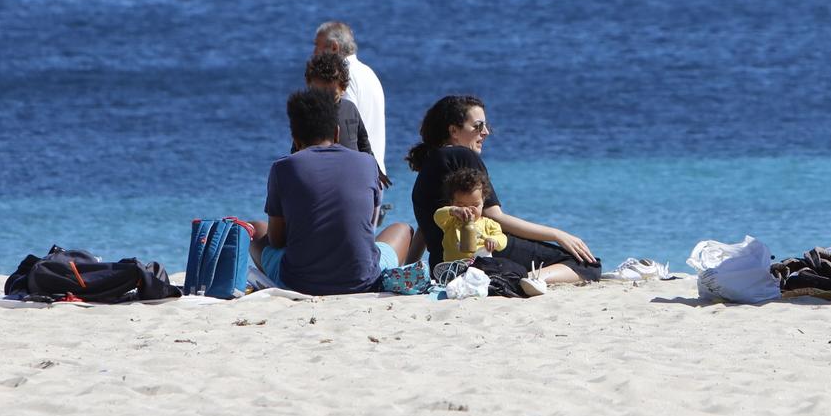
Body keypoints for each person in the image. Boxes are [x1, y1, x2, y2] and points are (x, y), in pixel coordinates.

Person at [405, 94, 601, 286]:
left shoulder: (430, 163)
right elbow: (496, 217)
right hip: (480, 254)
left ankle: (524, 277)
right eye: (478, 126)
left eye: (486, 126)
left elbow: (425, 228)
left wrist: (408, 270)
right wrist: (557, 235)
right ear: (454, 131)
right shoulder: (462, 155)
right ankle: (528, 280)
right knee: (586, 264)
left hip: (442, 266)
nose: (486, 132)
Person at [250, 87, 412, 296]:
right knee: (403, 228)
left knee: (253, 229)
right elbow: (366, 226)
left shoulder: (283, 168)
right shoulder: (367, 163)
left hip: (298, 282)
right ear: (337, 132)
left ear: (296, 139)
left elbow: (277, 240)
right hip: (363, 280)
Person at [315, 21, 386, 180]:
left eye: (317, 46)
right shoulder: (368, 73)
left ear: (334, 47)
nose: (314, 53)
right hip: (372, 172)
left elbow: (346, 130)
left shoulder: (341, 78)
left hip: (353, 174)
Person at [304, 50, 382, 183]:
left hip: (354, 177)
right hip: (321, 181)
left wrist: (376, 171)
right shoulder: (308, 113)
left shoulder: (350, 108)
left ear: (343, 89)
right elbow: (297, 151)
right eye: (319, 93)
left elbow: (364, 144)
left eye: (332, 95)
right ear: (310, 86)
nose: (326, 99)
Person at [434, 167, 509, 265]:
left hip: (481, 267)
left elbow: (502, 238)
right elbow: (437, 216)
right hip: (454, 267)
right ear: (452, 202)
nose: (469, 210)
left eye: (475, 205)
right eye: (461, 206)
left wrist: (494, 240)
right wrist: (453, 210)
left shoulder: (489, 224)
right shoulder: (451, 222)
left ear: (483, 202)